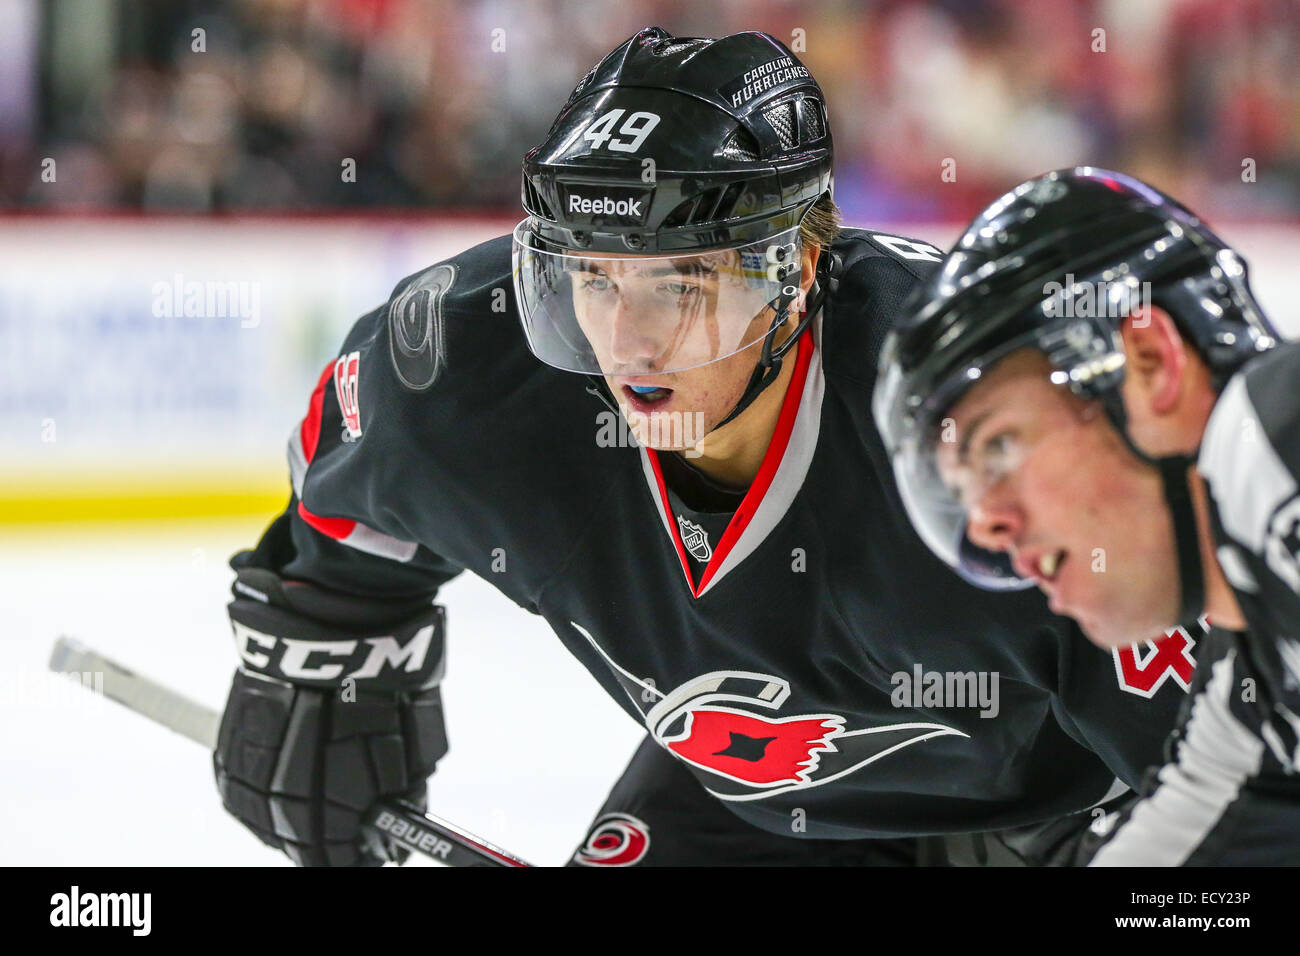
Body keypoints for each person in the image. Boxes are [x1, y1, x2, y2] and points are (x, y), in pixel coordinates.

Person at [213, 31, 1190, 867]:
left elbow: (1228, 734)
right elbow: (353, 463)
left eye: (681, 286)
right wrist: (325, 642)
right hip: (756, 800)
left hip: (1059, 818)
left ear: (799, 267)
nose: (629, 343)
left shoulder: (986, 416)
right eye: (592, 279)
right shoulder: (478, 373)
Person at [874, 165, 1299, 865]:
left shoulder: (1276, 449)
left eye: (998, 448)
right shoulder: (1250, 684)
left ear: (1150, 360)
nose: (985, 525)